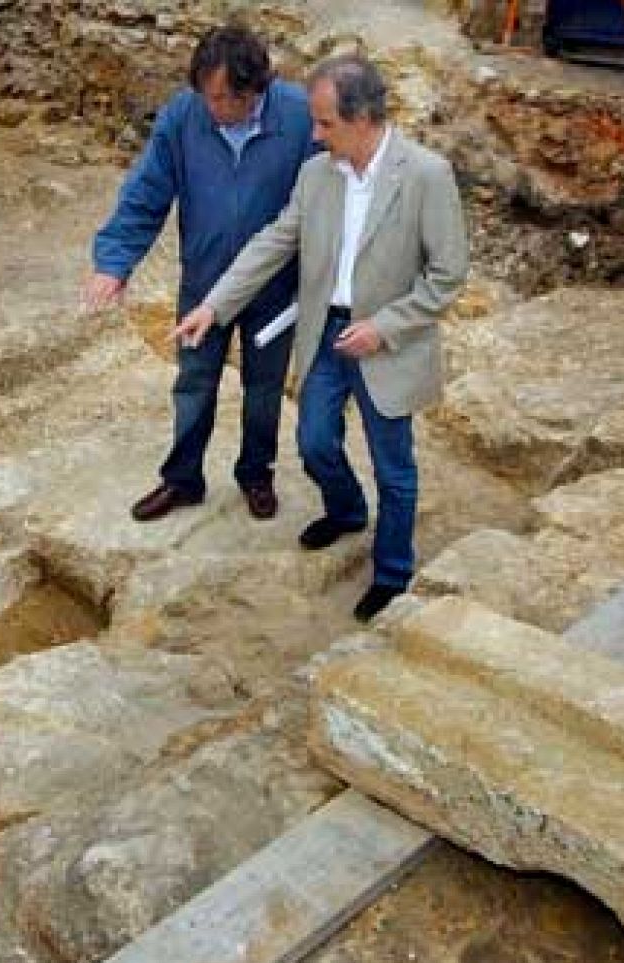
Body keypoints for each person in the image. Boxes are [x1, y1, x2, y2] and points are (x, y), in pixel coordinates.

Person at [171, 54, 469, 622]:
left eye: (325, 123)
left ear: (363, 119)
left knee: (394, 468)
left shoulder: (427, 175)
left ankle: (391, 574)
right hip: (327, 334)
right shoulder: (317, 174)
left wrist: (384, 328)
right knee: (313, 443)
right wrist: (214, 305)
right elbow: (273, 243)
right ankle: (347, 510)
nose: (314, 134)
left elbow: (448, 274)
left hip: (388, 340)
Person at [83, 24, 314, 522]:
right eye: (205, 96)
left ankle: (256, 474)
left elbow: (327, 201)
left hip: (274, 286)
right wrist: (115, 261)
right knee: (193, 383)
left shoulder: (300, 117)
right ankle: (182, 479)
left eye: (225, 98)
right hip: (204, 280)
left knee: (264, 389)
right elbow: (146, 194)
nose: (214, 109)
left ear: (258, 89)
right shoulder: (183, 117)